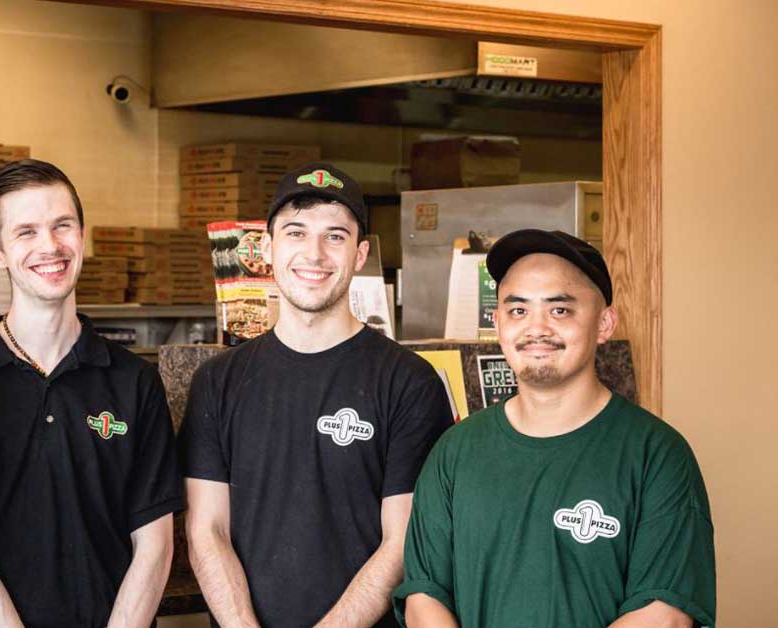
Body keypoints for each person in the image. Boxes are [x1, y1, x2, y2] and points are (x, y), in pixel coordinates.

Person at [394, 229, 716, 627]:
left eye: (560, 310)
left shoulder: (657, 455)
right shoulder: (454, 452)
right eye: (518, 311)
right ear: (498, 323)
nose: (537, 329)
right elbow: (424, 597)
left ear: (604, 323)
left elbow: (665, 615)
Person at [179, 162, 454, 627]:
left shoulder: (410, 383)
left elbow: (402, 542)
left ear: (360, 253)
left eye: (335, 236)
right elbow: (207, 530)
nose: (314, 253)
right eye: (296, 232)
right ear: (268, 247)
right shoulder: (217, 382)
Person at [0, 159, 184, 628]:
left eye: (62, 225)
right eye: (26, 231)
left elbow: (155, 545)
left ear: (82, 236)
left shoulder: (134, 381)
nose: (50, 246)